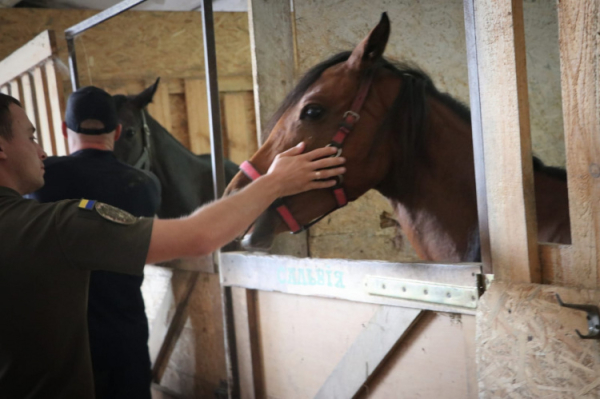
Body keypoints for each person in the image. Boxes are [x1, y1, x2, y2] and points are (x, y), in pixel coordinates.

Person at [0, 92, 345, 399]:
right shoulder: (59, 224)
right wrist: (275, 182)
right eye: (31, 137)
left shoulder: (41, 210)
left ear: (66, 130)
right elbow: (198, 236)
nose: (41, 150)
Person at [28, 86, 161, 399]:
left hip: (64, 343)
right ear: (116, 132)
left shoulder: (42, 180)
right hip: (126, 335)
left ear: (64, 130)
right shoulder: (145, 186)